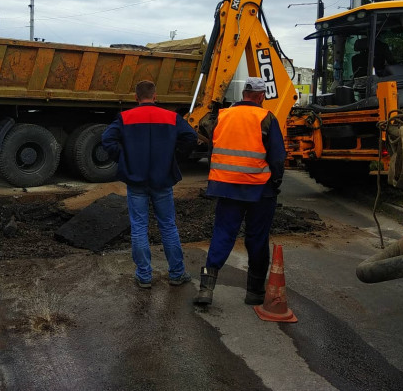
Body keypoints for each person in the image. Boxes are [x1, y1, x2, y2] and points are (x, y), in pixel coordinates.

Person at [193, 77, 286, 307]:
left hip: (226, 186)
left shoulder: (223, 116)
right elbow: (277, 157)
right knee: (257, 238)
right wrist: (276, 182)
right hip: (259, 190)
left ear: (244, 93)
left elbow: (215, 149)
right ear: (261, 96)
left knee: (222, 234)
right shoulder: (266, 117)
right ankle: (254, 293)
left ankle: (206, 289)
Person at [102, 80, 198, 289]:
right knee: (168, 226)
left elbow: (107, 140)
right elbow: (191, 137)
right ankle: (176, 273)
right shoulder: (171, 117)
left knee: (138, 227)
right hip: (162, 180)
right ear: (155, 97)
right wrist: (174, 157)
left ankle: (144, 276)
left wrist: (124, 159)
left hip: (136, 180)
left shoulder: (125, 118)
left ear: (136, 98)